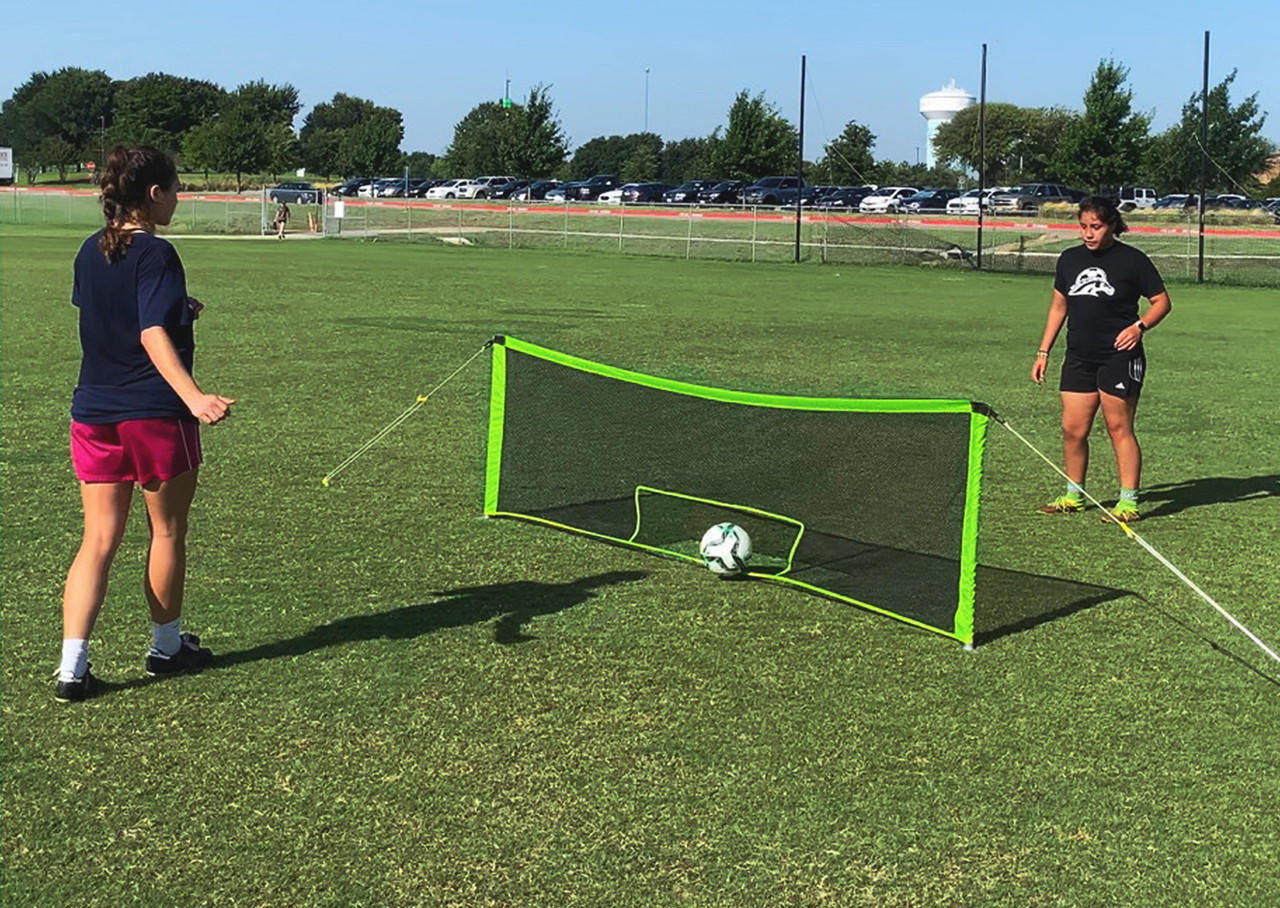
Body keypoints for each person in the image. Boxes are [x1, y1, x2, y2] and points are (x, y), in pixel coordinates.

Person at [56, 145, 234, 702]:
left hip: (93, 413)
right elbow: (149, 332)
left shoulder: (89, 250)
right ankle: (166, 648)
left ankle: (71, 669)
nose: (179, 199)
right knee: (167, 531)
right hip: (154, 414)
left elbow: (114, 313)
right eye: (176, 190)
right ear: (154, 194)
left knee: (97, 540)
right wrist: (195, 397)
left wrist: (181, 309)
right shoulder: (158, 253)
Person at [1031, 195, 1171, 523]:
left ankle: (1128, 503)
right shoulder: (1069, 260)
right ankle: (1073, 496)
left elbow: (1162, 302)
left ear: (1112, 226)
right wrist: (1043, 351)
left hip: (1119, 357)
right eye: (1083, 226)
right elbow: (1059, 307)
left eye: (1095, 226)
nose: (1088, 233)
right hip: (1079, 357)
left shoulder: (1133, 260)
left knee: (1118, 427)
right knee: (1072, 430)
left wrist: (1139, 328)